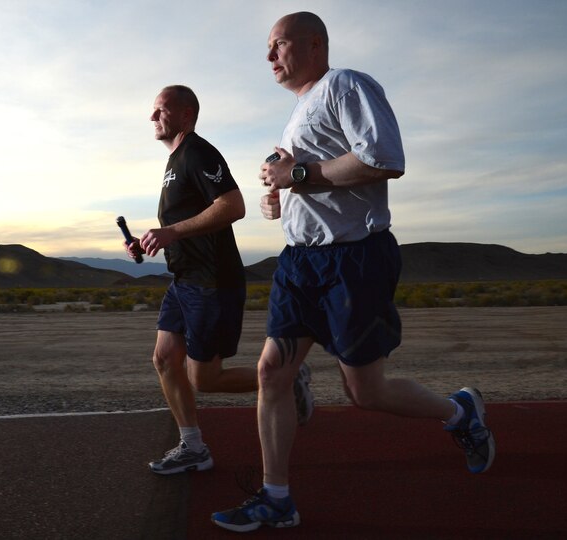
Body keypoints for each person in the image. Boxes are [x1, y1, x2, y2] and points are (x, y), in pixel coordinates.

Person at [211, 13, 495, 532]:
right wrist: (280, 196)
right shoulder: (298, 111)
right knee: (272, 372)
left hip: (355, 258)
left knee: (365, 391)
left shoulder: (345, 84)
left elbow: (384, 159)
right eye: (267, 49)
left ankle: (460, 412)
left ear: (314, 43)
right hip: (300, 261)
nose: (269, 57)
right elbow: (309, 178)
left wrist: (296, 174)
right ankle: (277, 498)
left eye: (278, 45)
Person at [126, 85, 315, 475]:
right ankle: (193, 447)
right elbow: (185, 223)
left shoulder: (198, 152)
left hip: (212, 282)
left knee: (204, 379)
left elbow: (233, 205)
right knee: (163, 359)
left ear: (186, 115)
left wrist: (173, 231)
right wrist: (151, 242)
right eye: (153, 110)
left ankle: (288, 378)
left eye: (161, 110)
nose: (152, 117)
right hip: (184, 280)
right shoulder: (176, 161)